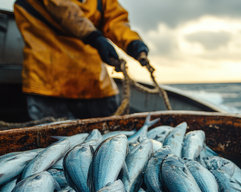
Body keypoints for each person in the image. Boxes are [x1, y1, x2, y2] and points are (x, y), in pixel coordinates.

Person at [14, 0, 148, 120]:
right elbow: (63, 8)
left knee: (109, 134)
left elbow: (115, 19)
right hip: (49, 84)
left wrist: (133, 43)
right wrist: (94, 37)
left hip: (95, 84)